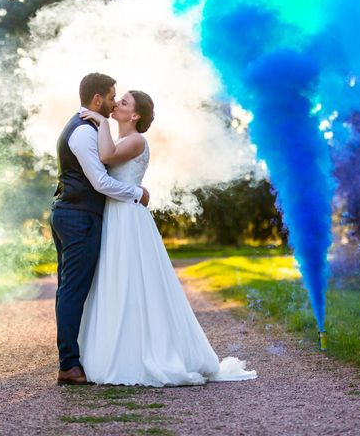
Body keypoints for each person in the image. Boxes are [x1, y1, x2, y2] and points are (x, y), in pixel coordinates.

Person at [77, 90, 257, 386]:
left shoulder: (136, 140)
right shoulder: (122, 139)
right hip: (116, 214)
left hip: (129, 218)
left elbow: (106, 157)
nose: (116, 104)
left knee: (135, 280)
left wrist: (99, 120)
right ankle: (116, 347)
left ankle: (146, 353)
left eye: (123, 103)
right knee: (117, 279)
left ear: (134, 115)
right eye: (117, 100)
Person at [50, 73, 150, 385]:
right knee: (73, 289)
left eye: (120, 99)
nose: (113, 102)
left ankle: (82, 357)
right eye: (111, 97)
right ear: (97, 100)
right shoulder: (84, 132)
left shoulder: (94, 129)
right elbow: (101, 181)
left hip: (81, 215)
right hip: (78, 217)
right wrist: (138, 194)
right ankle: (68, 364)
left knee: (79, 287)